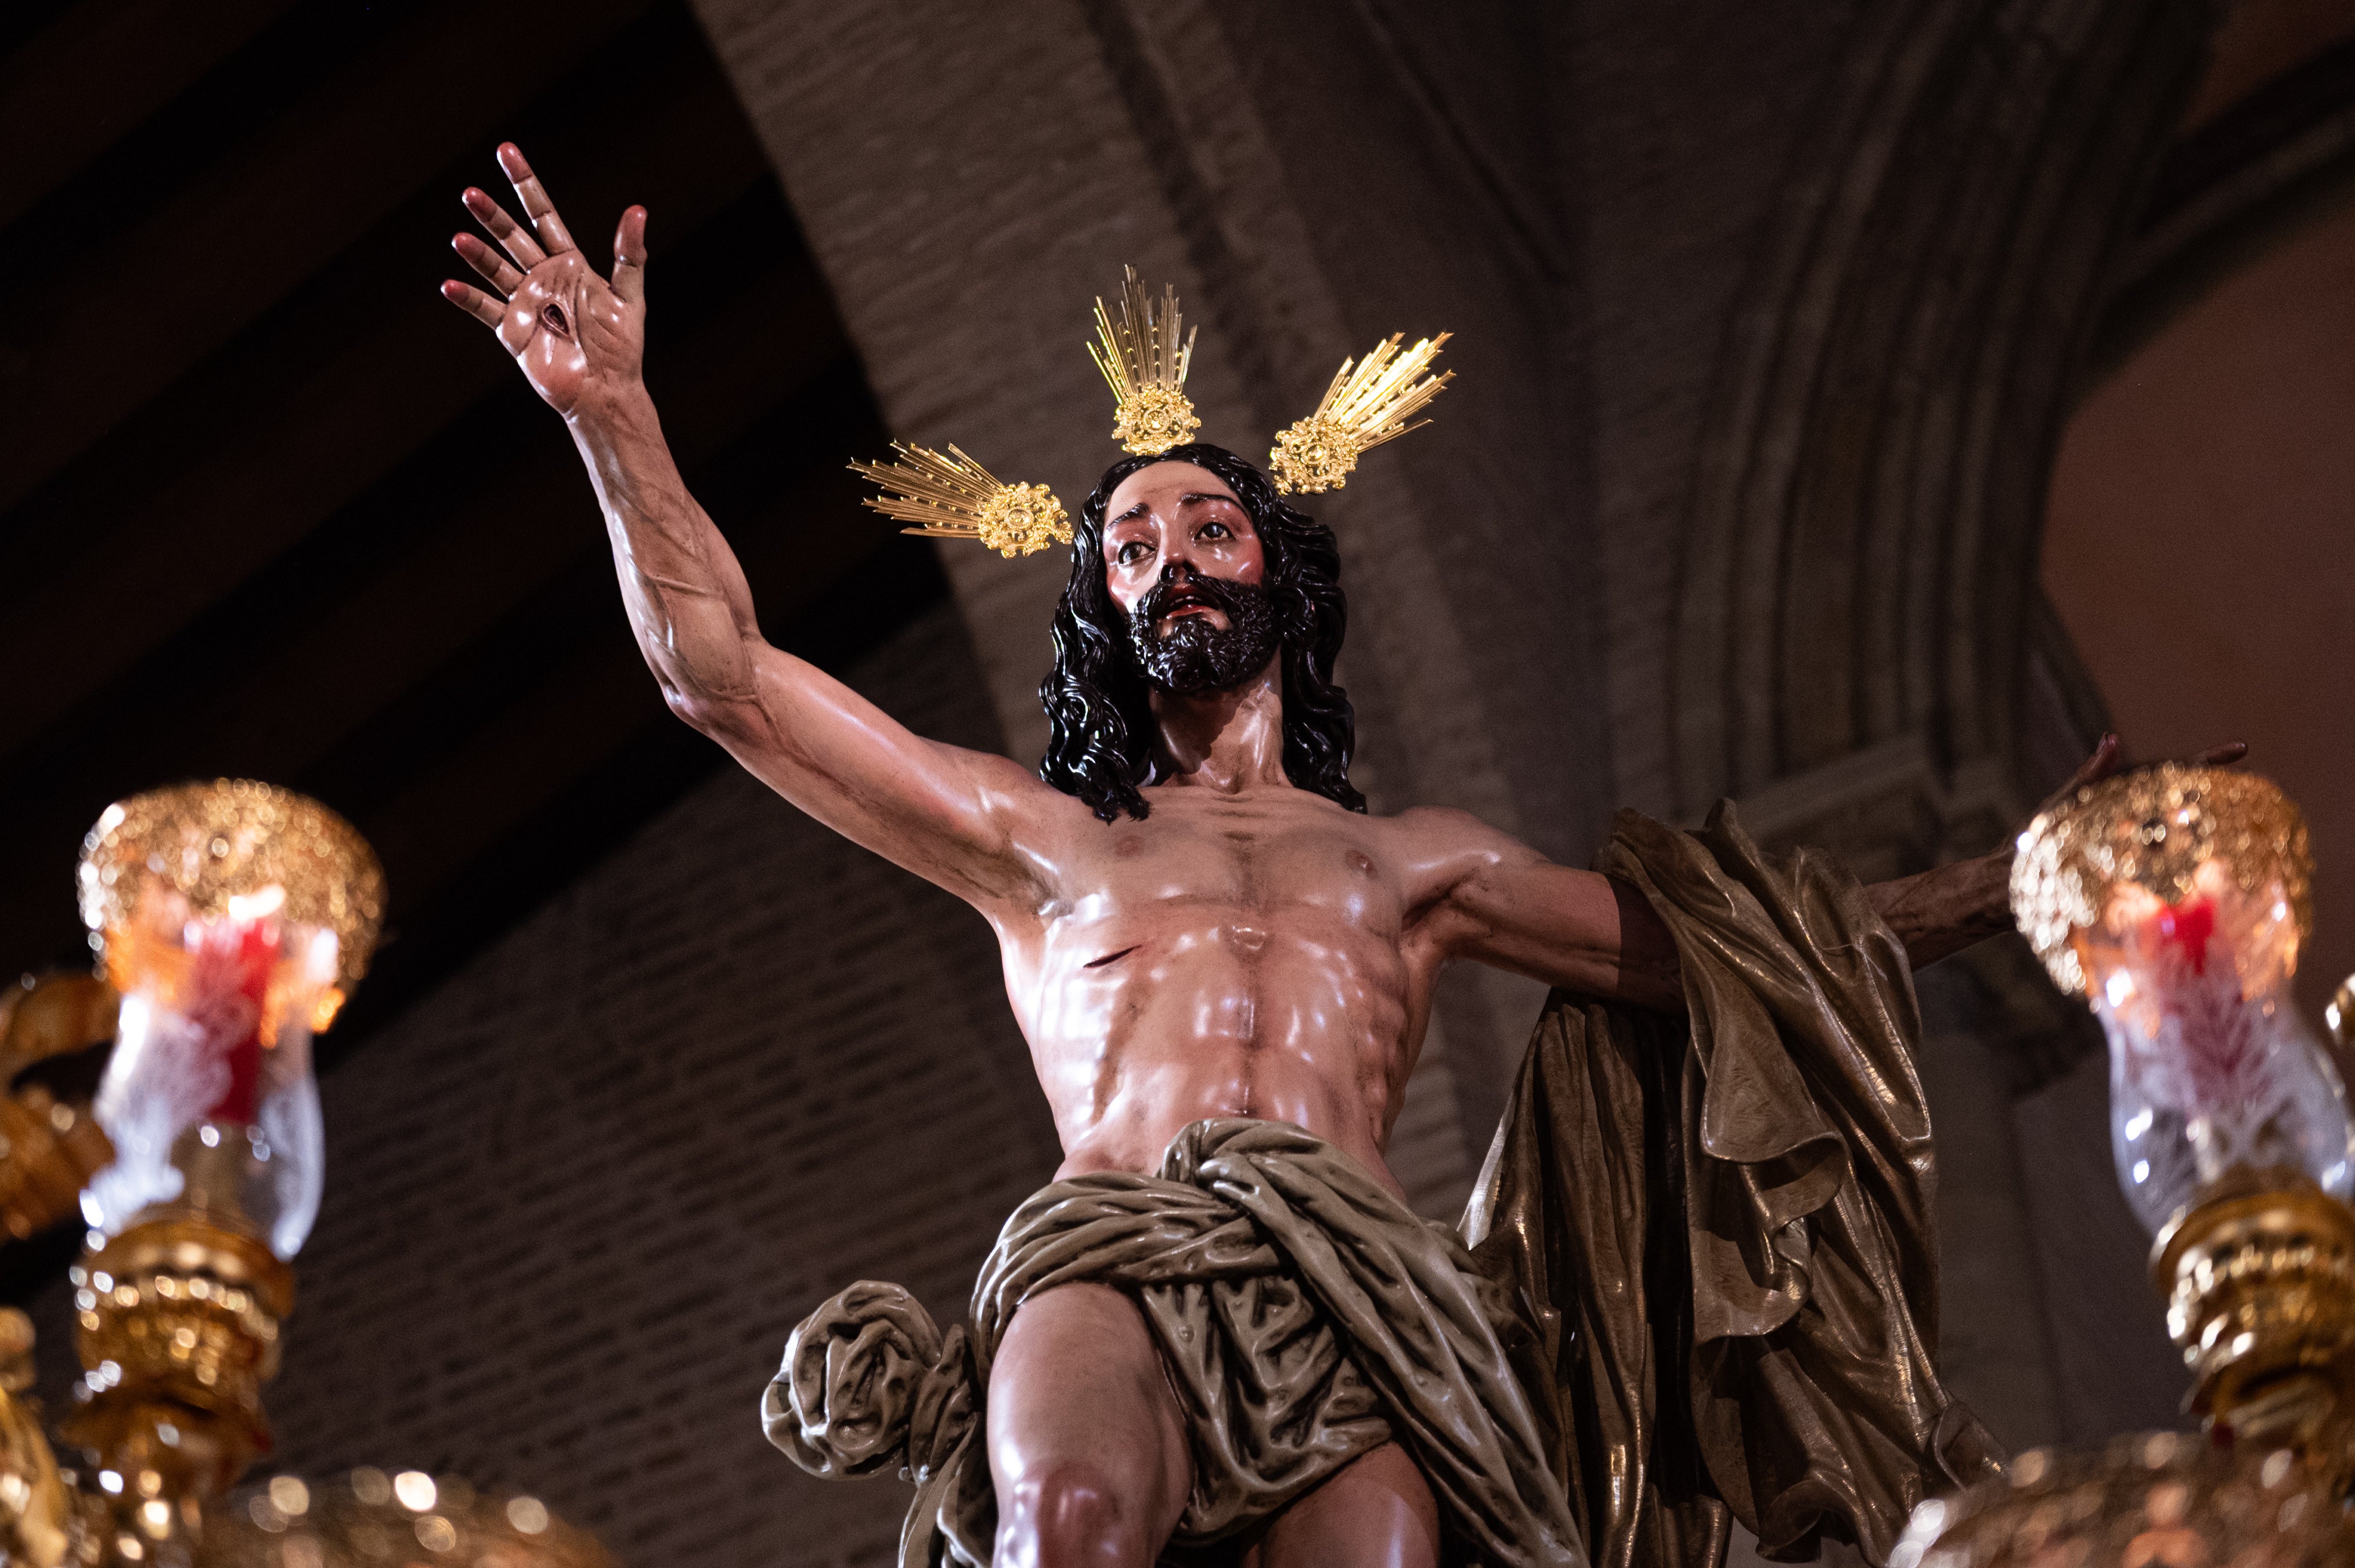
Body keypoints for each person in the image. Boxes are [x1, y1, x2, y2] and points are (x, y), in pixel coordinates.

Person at [442, 146, 2228, 1568]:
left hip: (1358, 1282)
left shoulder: (1410, 865)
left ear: (1274, 578)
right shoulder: (1042, 843)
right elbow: (723, 680)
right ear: (1100, 616)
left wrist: (2019, 881)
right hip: (1110, 1243)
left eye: (1202, 525)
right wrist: (613, 414)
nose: (1164, 560)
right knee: (1064, 1526)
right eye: (1125, 549)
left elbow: (1747, 954)